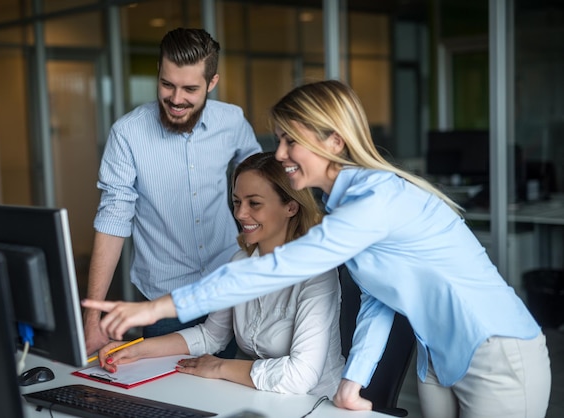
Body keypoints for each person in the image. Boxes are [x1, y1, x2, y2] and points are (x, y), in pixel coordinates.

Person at [83, 80, 551, 417]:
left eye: (291, 140)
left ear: (334, 141)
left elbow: (279, 268)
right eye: (281, 138)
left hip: (496, 350)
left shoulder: (376, 200)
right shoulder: (341, 205)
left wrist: (157, 308)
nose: (281, 153)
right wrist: (352, 384)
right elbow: (377, 303)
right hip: (436, 355)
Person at [92, 152, 344, 397]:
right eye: (236, 202)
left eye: (254, 203)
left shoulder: (318, 272)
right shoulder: (240, 262)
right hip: (259, 398)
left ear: (291, 206)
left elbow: (301, 375)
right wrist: (136, 350)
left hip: (316, 403)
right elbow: (211, 335)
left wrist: (220, 367)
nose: (240, 214)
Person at [83, 27, 262, 355]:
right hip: (165, 302)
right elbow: (113, 220)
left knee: (232, 393)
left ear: (212, 83)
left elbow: (262, 181)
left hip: (229, 286)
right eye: (167, 84)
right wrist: (92, 320)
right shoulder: (128, 134)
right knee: (168, 402)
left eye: (190, 89)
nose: (177, 99)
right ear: (158, 73)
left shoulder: (231, 121)